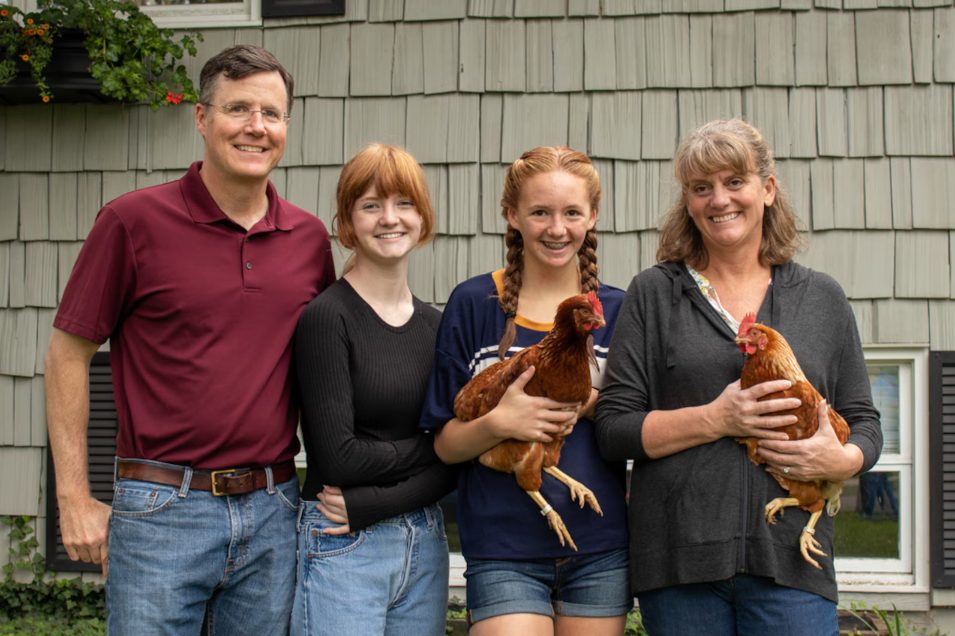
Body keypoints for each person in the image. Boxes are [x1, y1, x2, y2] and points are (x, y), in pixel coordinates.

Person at [44, 45, 335, 633]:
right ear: (202, 119)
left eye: (272, 114)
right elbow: (66, 355)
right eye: (239, 109)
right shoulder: (132, 223)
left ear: (287, 127)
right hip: (160, 510)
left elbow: (321, 370)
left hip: (274, 506)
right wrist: (74, 497)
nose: (257, 127)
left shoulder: (307, 239)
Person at [595, 119, 883, 635]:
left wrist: (843, 458)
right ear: (687, 201)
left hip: (792, 562)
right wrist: (716, 418)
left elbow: (864, 419)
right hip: (682, 561)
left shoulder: (821, 298)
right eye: (701, 188)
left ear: (767, 189)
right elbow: (614, 428)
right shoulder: (655, 294)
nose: (719, 200)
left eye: (735, 182)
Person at [419, 146, 631, 635]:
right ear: (512, 215)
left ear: (592, 216)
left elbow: (631, 424)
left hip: (599, 548)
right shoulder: (475, 304)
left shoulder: (616, 311)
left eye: (572, 213)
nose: (556, 229)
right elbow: (444, 444)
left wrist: (582, 399)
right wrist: (500, 423)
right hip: (503, 548)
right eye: (540, 212)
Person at [291, 144, 456, 636]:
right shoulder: (326, 318)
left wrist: (377, 502)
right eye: (371, 205)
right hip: (343, 544)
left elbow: (461, 464)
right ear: (347, 223)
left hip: (424, 542)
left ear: (422, 218)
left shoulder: (438, 326)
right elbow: (339, 457)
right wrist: (434, 448)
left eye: (404, 203)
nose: (390, 218)